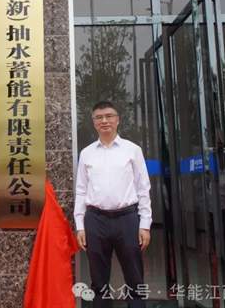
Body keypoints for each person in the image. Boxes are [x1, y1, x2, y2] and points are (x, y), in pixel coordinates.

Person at [74, 101, 152, 308]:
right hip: (95, 220)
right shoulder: (86, 153)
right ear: (94, 122)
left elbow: (143, 188)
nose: (104, 121)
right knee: (98, 282)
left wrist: (145, 224)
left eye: (109, 116)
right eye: (99, 117)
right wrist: (80, 226)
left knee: (135, 279)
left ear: (118, 120)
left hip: (127, 219)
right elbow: (81, 190)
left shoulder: (132, 150)